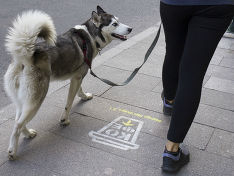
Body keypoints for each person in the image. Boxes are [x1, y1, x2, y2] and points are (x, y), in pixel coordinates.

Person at [159, 0, 234, 173]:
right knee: (192, 73)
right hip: (217, 5)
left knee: (173, 52)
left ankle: (169, 101)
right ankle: (171, 152)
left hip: (175, 4)